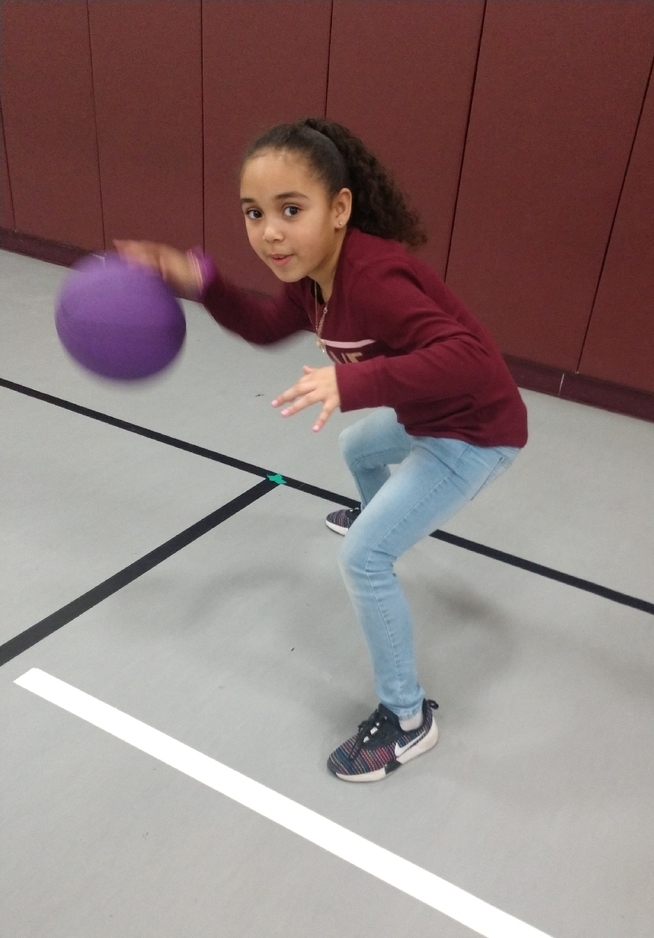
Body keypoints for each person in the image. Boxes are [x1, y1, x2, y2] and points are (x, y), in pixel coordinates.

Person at [116, 117, 528, 782]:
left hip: (476, 431)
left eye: (290, 209)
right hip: (428, 414)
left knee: (363, 559)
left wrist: (353, 378)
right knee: (358, 448)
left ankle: (408, 720)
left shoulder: (376, 279)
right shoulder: (314, 277)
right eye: (254, 213)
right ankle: (388, 520)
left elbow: (472, 362)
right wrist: (202, 281)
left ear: (339, 209)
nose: (270, 231)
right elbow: (262, 325)